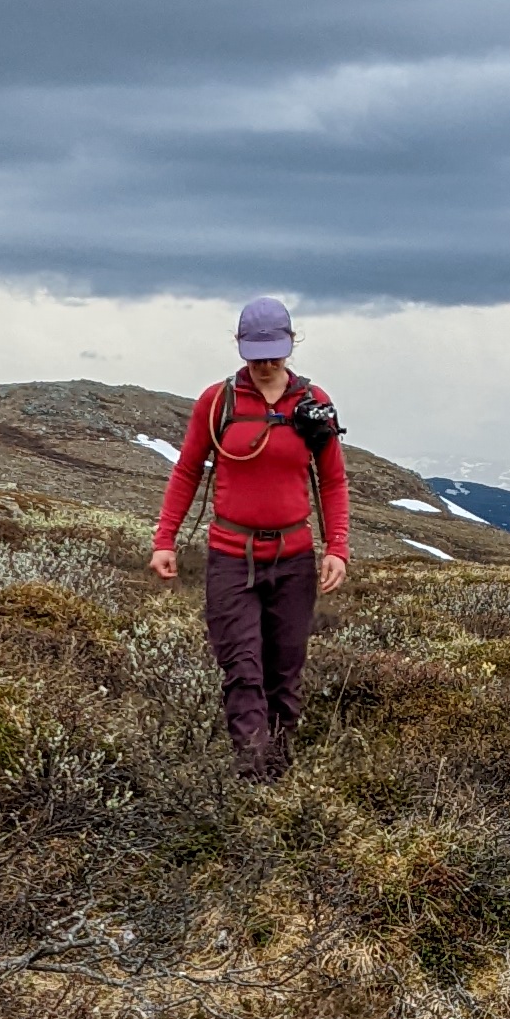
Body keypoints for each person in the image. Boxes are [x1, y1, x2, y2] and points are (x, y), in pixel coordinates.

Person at [149, 296, 350, 776]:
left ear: (291, 345)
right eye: (256, 354)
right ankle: (253, 774)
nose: (265, 363)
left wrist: (336, 548)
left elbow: (334, 482)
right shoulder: (217, 402)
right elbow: (187, 471)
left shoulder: (314, 404)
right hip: (230, 557)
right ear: (240, 348)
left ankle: (278, 771)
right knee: (242, 669)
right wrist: (164, 539)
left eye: (275, 352)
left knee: (284, 677)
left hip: (295, 559)